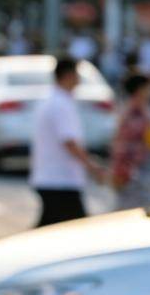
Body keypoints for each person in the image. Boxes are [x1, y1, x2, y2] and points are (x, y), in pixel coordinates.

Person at [29, 56, 106, 227]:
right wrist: (92, 167)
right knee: (73, 231)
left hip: (53, 179)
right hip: (60, 180)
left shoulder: (53, 100)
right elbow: (70, 142)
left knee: (50, 230)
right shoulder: (61, 104)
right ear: (69, 75)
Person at [111, 72, 150, 210]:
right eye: (148, 87)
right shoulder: (133, 112)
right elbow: (123, 146)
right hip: (133, 174)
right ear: (140, 89)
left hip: (143, 171)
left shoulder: (144, 109)